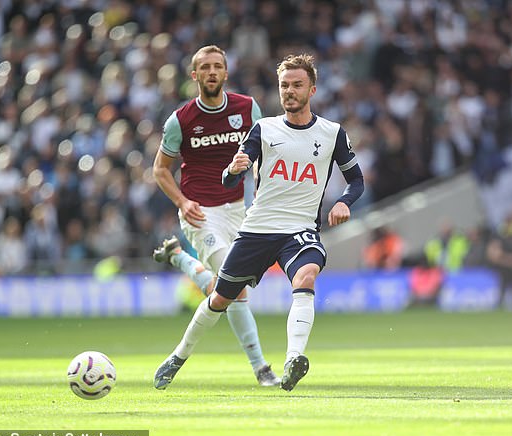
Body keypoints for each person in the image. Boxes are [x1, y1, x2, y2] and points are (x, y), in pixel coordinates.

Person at [153, 53, 364, 392]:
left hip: (299, 230)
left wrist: (343, 202)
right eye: (284, 86)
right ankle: (177, 357)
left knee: (306, 275)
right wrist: (233, 169)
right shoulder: (264, 129)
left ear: (312, 89)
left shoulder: (332, 133)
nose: (289, 91)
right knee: (221, 298)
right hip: (257, 228)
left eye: (297, 85)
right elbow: (229, 181)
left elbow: (357, 181)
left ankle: (293, 359)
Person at [151, 45, 279, 386]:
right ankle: (259, 367)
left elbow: (265, 151)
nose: (211, 72)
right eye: (204, 67)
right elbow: (160, 170)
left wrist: (261, 191)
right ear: (194, 76)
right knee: (234, 287)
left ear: (225, 73)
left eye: (217, 66)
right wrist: (181, 202)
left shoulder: (247, 108)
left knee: (222, 289)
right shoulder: (180, 120)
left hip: (239, 210)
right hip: (200, 211)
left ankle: (178, 258)